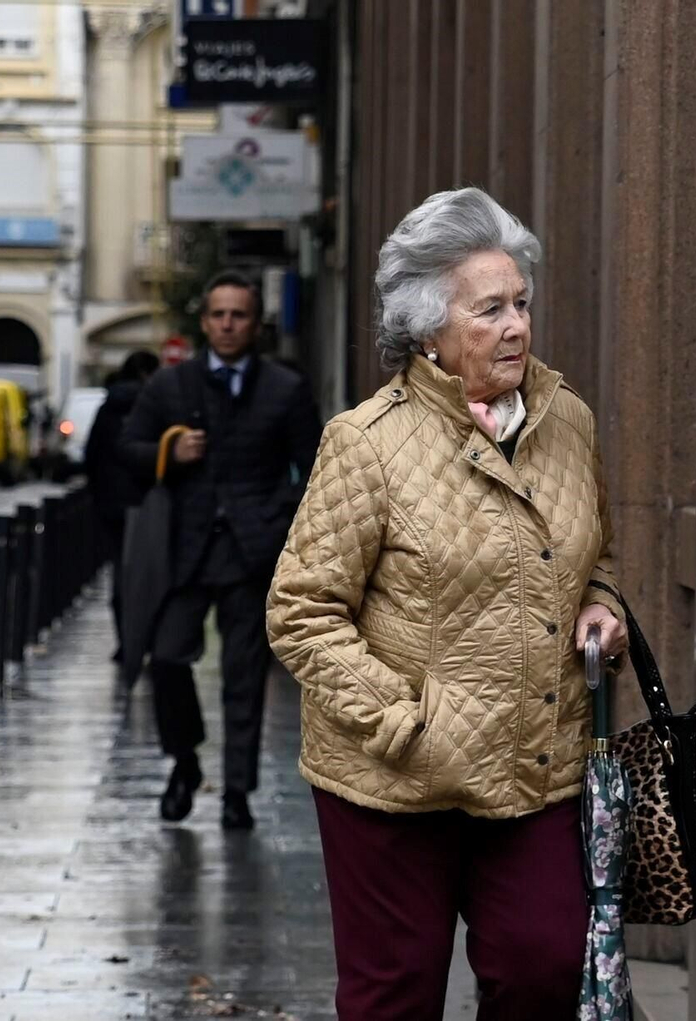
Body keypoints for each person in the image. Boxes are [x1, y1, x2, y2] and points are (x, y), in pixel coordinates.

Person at [266, 187, 632, 1020]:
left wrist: (601, 604)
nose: (515, 326)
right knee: (395, 991)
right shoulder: (367, 442)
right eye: (489, 309)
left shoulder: (566, 420)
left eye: (522, 304)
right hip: (392, 777)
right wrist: (403, 721)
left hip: (535, 761)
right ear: (429, 330)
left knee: (542, 965)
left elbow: (596, 551)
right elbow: (301, 611)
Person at [123, 271, 321, 830]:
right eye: (218, 315)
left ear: (254, 325)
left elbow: (318, 472)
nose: (227, 324)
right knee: (165, 658)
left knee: (243, 676)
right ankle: (185, 761)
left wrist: (273, 516)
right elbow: (128, 450)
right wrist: (169, 449)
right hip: (181, 553)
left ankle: (237, 791)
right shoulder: (170, 386)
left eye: (238, 315)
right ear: (204, 321)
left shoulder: (285, 389)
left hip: (250, 556)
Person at [85, 349, 160, 661]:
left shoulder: (108, 406)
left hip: (110, 504)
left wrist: (100, 494)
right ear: (146, 374)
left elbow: (92, 454)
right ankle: (145, 637)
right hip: (144, 502)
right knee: (147, 574)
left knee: (119, 571)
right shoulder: (151, 406)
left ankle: (126, 642)